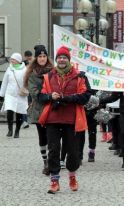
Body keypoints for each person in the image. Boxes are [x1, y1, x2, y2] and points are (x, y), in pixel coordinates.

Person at [38, 46, 91, 194]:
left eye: (64, 57)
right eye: (59, 57)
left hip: (72, 120)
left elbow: (85, 96)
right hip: (53, 120)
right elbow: (40, 97)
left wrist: (67, 98)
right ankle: (54, 181)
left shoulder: (80, 76)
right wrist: (50, 96)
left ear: (69, 60)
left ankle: (72, 176)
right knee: (53, 150)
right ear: (56, 60)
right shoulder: (48, 76)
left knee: (73, 153)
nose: (61, 60)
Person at [24, 45, 53, 175]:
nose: (42, 58)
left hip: (53, 108)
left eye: (44, 56)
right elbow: (34, 92)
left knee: (53, 136)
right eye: (40, 56)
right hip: (39, 109)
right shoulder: (32, 73)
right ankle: (45, 161)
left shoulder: (53, 71)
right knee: (43, 136)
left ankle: (54, 160)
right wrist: (46, 96)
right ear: (36, 58)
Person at [0, 53, 28, 138]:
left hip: (20, 94)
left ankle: (17, 131)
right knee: (9, 111)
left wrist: (27, 90)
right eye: (11, 59)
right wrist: (1, 94)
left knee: (19, 113)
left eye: (13, 59)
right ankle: (10, 129)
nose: (11, 61)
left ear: (18, 60)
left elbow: (27, 82)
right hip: (10, 94)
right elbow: (5, 82)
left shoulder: (25, 70)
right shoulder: (9, 69)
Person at [22, 50, 33, 129]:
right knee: (24, 104)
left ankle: (28, 120)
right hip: (26, 86)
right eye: (28, 58)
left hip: (32, 86)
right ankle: (25, 121)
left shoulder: (35, 64)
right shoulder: (22, 64)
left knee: (31, 104)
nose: (29, 59)